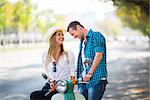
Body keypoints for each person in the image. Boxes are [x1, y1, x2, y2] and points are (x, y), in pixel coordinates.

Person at [30, 27, 76, 100]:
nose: (62, 37)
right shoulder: (45, 55)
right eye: (59, 34)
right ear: (53, 38)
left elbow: (72, 75)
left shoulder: (69, 54)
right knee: (34, 95)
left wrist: (70, 89)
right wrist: (51, 81)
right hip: (51, 85)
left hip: (63, 86)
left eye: (62, 35)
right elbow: (48, 73)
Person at [67, 21, 108, 100]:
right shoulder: (82, 42)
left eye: (73, 34)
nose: (74, 37)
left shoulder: (96, 35)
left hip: (96, 79)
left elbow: (99, 55)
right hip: (83, 82)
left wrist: (90, 74)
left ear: (78, 27)